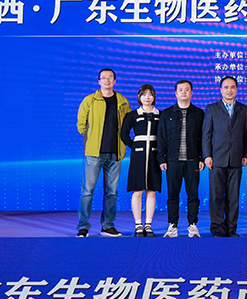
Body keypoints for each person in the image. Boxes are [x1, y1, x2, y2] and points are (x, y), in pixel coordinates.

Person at [76, 68, 131, 237]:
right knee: (87, 192)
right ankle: (83, 227)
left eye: (110, 77)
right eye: (104, 78)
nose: (107, 80)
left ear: (115, 81)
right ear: (99, 81)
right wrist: (90, 141)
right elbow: (81, 124)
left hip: (115, 153)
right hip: (94, 154)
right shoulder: (89, 100)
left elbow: (127, 126)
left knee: (112, 193)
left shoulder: (123, 102)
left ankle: (108, 226)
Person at [202, 76, 247, 237]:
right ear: (220, 90)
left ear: (236, 89)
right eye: (226, 87)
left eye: (232, 87)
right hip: (216, 158)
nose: (229, 90)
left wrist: (246, 154)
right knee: (216, 195)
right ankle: (217, 227)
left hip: (236, 158)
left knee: (233, 196)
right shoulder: (212, 108)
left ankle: (231, 228)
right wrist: (207, 155)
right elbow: (207, 135)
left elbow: (246, 134)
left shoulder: (243, 109)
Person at [157, 79, 205, 238]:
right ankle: (173, 226)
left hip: (192, 161)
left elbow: (203, 138)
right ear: (175, 93)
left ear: (191, 93)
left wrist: (202, 158)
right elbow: (161, 138)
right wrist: (162, 158)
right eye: (181, 90)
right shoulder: (167, 114)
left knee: (193, 195)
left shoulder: (199, 114)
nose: (184, 92)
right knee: (172, 195)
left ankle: (193, 225)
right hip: (172, 161)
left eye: (187, 89)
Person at [120, 84, 161, 237]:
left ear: (154, 97)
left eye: (150, 94)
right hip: (138, 156)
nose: (147, 97)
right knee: (137, 190)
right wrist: (134, 146)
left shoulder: (160, 114)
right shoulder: (133, 115)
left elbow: (164, 135)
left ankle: (148, 225)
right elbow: (124, 134)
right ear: (139, 97)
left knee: (151, 190)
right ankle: (138, 225)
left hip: (155, 155)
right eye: (144, 94)